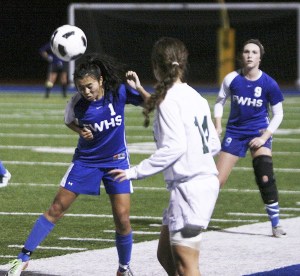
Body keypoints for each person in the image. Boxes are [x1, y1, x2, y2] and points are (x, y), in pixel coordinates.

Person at [5, 54, 150, 276]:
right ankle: (22, 258)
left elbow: (153, 104)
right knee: (56, 208)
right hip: (86, 162)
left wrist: (139, 88)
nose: (86, 92)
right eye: (81, 88)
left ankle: (124, 268)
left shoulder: (118, 92)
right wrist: (79, 130)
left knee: (122, 219)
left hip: (116, 161)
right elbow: (68, 120)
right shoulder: (77, 103)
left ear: (100, 80)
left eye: (90, 86)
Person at [110, 37, 221, 276]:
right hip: (195, 186)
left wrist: (133, 172)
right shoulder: (196, 97)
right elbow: (213, 144)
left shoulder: (170, 100)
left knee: (186, 264)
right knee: (165, 255)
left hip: (190, 189)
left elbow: (174, 148)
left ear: (155, 67)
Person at [214, 39, 286, 238]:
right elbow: (220, 102)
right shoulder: (231, 79)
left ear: (260, 58)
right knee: (217, 181)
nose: (249, 55)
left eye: (254, 52)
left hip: (258, 132)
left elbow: (278, 114)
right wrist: (218, 124)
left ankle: (276, 224)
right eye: (246, 51)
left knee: (265, 175)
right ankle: (199, 219)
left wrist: (264, 137)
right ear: (241, 55)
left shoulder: (269, 83)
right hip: (235, 133)